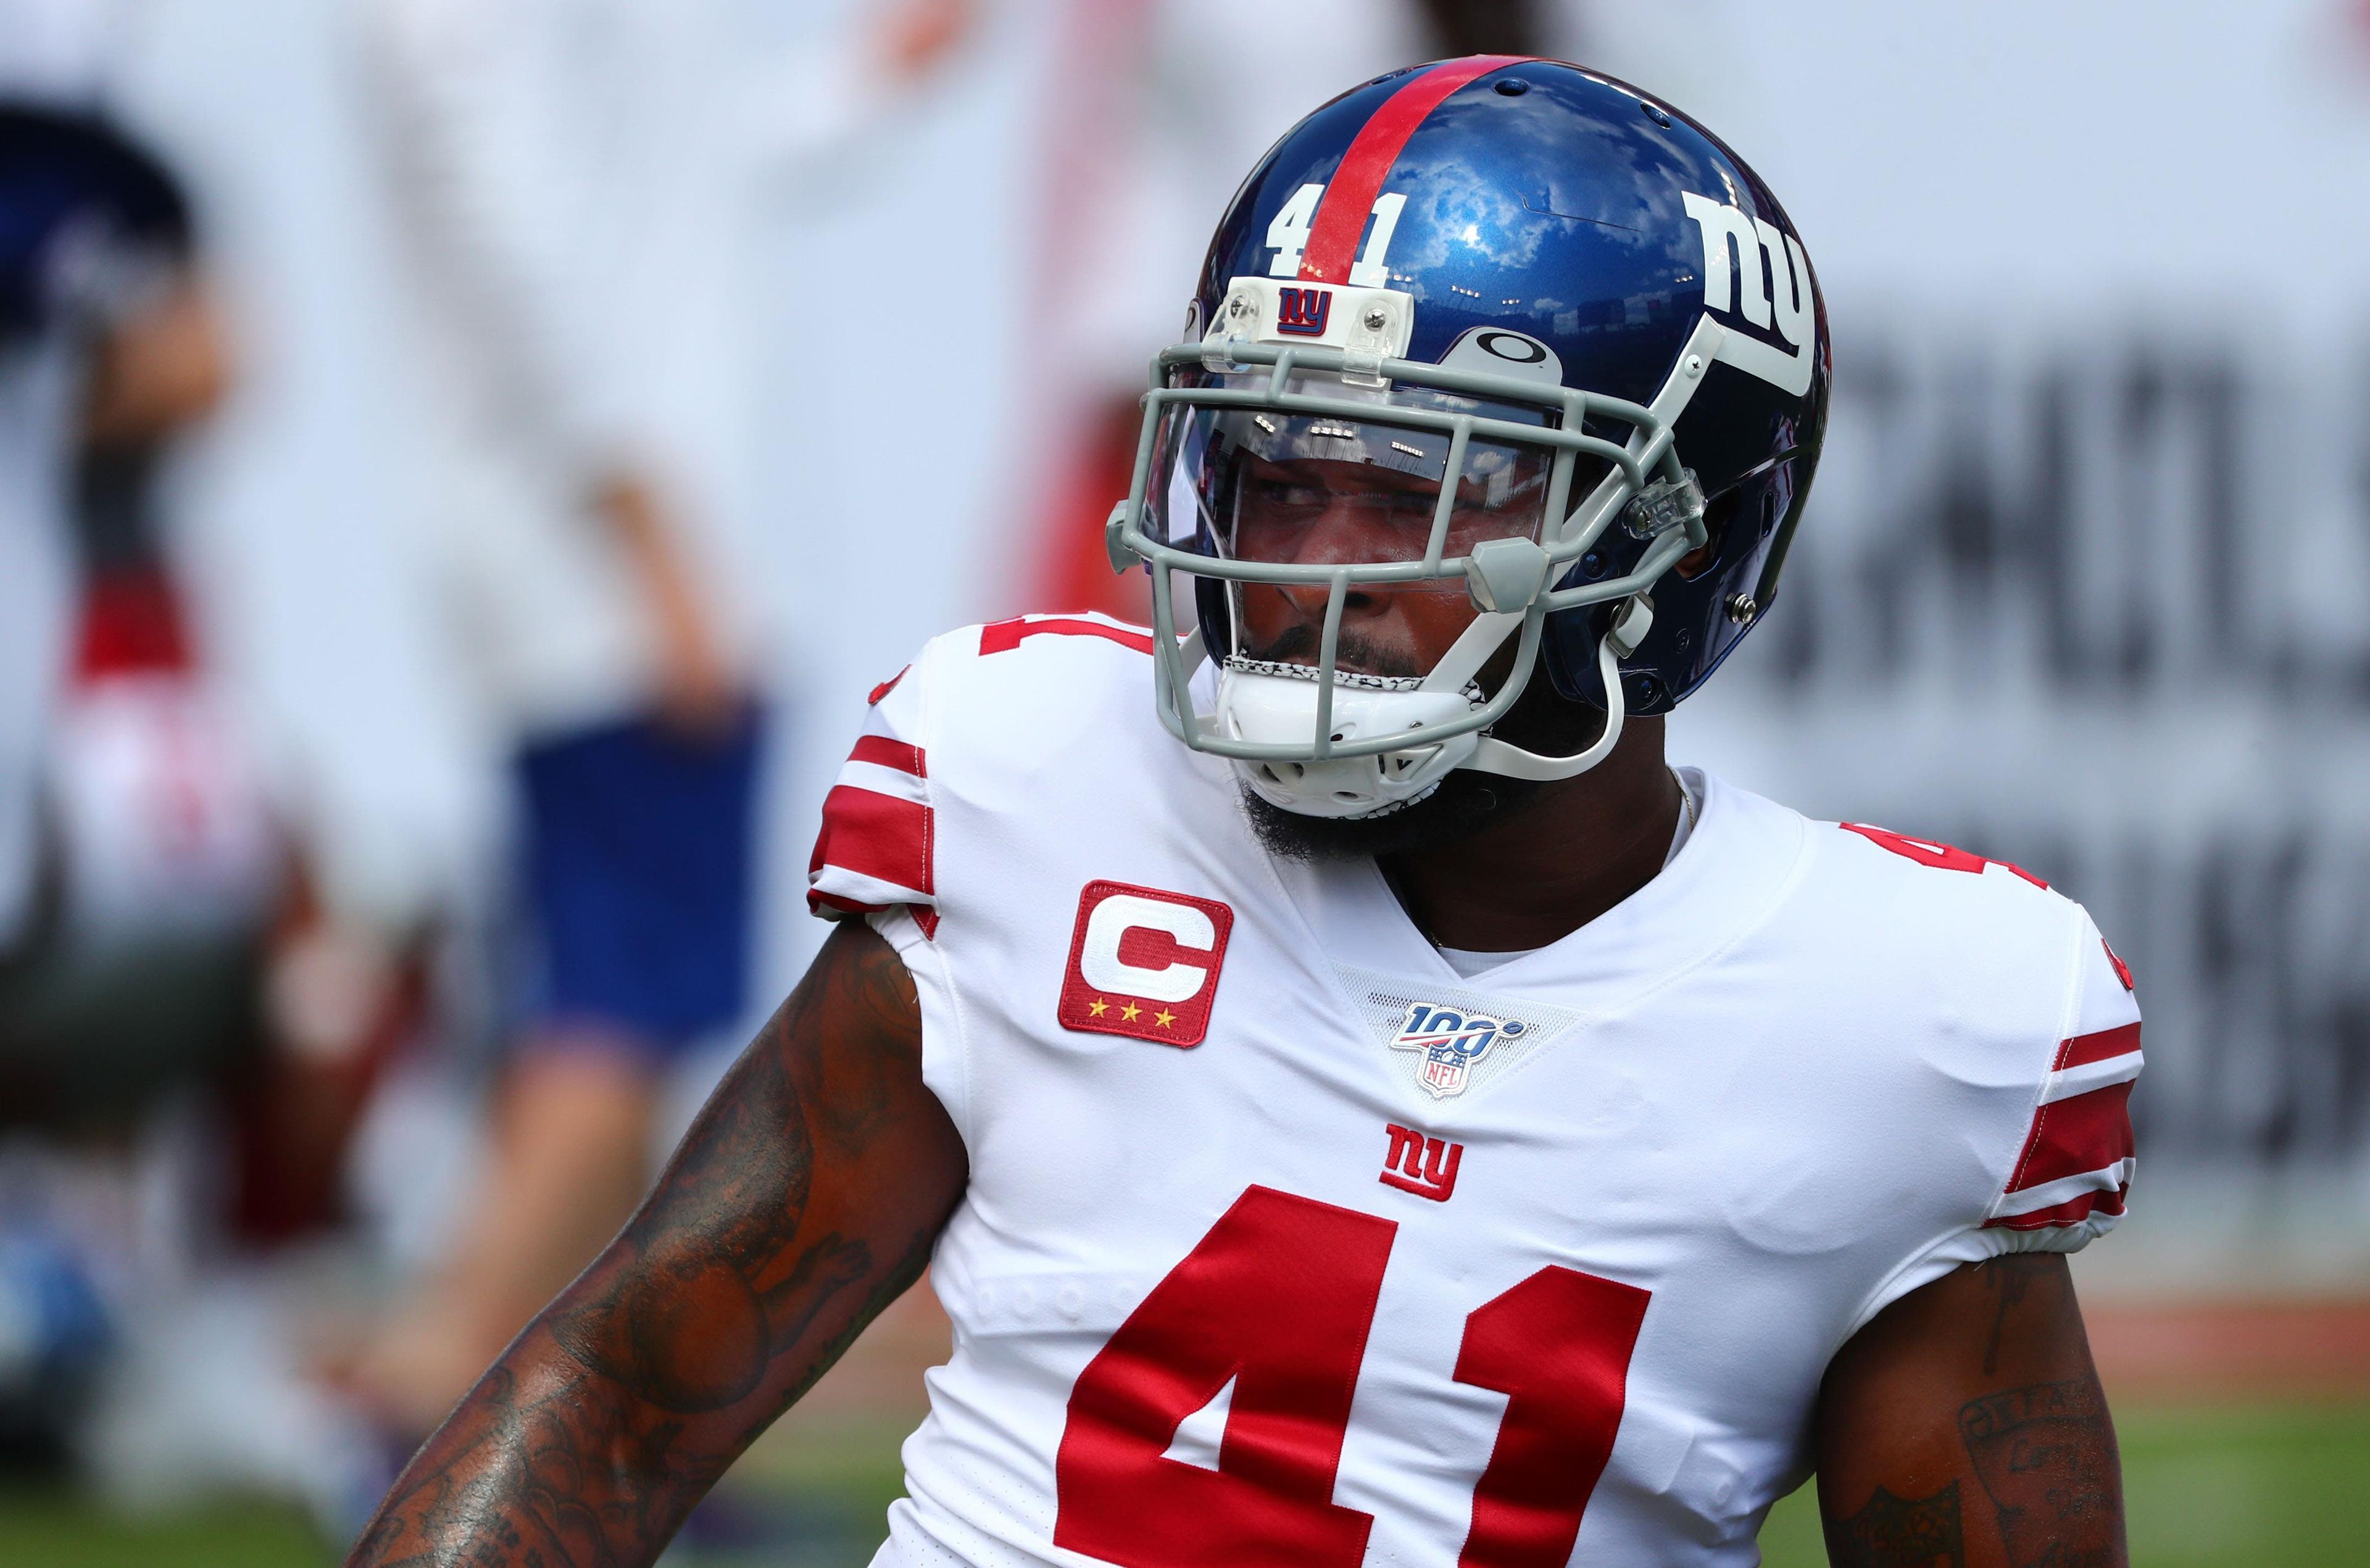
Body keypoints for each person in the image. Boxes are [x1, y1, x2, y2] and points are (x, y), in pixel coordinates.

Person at [349, 59, 2142, 1568]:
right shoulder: (1038, 787)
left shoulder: (1906, 1023)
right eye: (1279, 479)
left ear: (1681, 544)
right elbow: (628, 1384)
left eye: (1420, 492)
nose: (1308, 573)